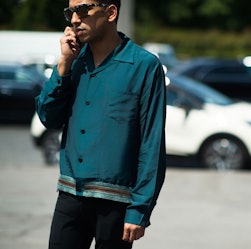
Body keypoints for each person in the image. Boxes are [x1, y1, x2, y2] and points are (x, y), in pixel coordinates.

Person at [35, 0, 166, 248]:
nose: (74, 19)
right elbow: (48, 118)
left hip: (116, 203)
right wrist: (63, 65)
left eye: (83, 10)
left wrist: (140, 209)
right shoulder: (73, 61)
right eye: (70, 12)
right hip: (70, 195)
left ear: (110, 12)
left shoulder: (144, 66)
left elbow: (152, 143)